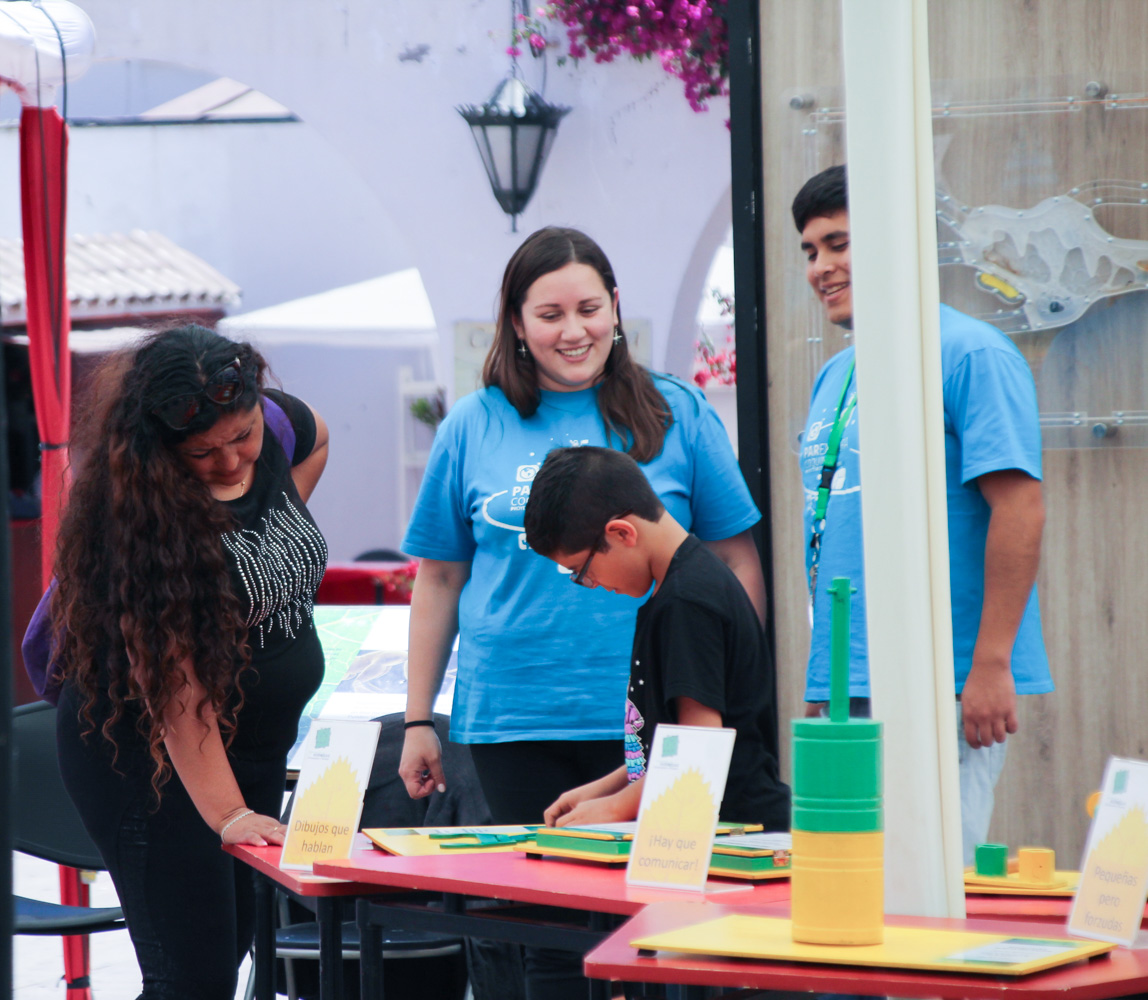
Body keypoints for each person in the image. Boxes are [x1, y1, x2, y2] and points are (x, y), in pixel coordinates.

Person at [398, 227, 763, 998]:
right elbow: (436, 579)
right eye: (550, 313)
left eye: (589, 308)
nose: (573, 331)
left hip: (650, 709)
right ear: (516, 323)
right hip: (512, 714)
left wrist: (734, 691)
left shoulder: (678, 410)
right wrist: (417, 717)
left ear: (616, 308)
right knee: (548, 937)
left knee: (658, 925)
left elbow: (732, 560)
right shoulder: (473, 422)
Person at [47, 325, 329, 1000]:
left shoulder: (275, 428)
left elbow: (316, 436)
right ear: (161, 450)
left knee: (221, 959)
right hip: (148, 760)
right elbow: (178, 696)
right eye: (204, 454)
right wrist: (229, 814)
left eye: (243, 438)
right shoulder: (142, 526)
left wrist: (269, 534)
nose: (233, 463)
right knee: (190, 979)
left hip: (249, 748)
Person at [793, 165, 1050, 859]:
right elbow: (833, 530)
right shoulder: (835, 373)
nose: (822, 266)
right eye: (811, 250)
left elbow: (1020, 506)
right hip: (852, 684)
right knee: (850, 889)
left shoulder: (970, 353)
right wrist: (828, 681)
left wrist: (990, 665)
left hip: (947, 679)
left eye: (839, 243)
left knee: (930, 885)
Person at [524, 446, 789, 832]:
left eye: (581, 570)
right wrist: (603, 789)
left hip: (736, 834)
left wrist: (616, 808)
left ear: (621, 533)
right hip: (709, 825)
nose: (590, 584)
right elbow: (668, 742)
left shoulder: (687, 601)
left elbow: (697, 746)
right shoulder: (679, 589)